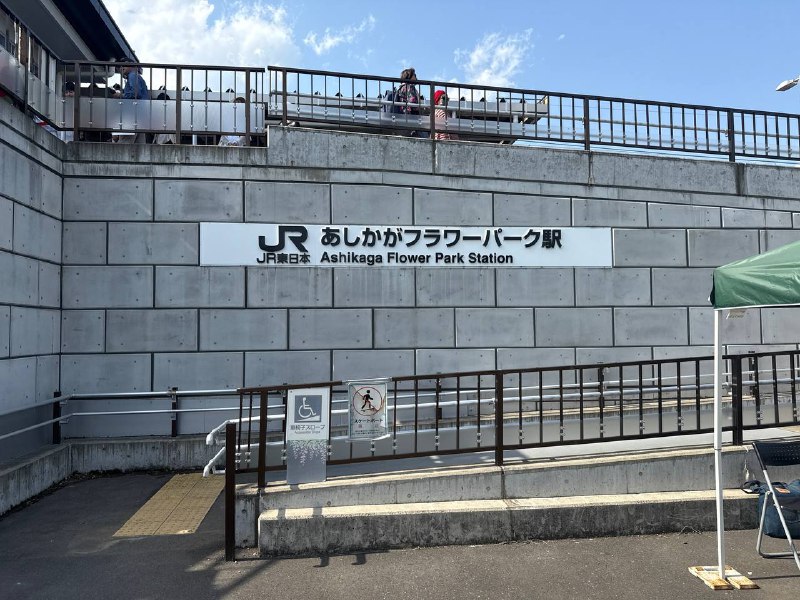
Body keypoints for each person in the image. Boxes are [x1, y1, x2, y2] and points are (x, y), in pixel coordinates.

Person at [112, 58, 149, 143]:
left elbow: (136, 93)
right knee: (139, 147)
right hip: (140, 116)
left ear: (130, 65)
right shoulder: (138, 77)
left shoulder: (132, 75)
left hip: (131, 115)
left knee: (124, 146)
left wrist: (120, 95)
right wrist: (122, 91)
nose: (121, 68)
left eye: (123, 65)